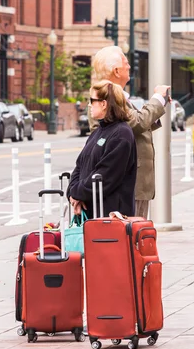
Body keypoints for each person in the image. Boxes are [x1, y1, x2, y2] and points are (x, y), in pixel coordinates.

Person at [91, 45, 170, 219]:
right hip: (127, 182)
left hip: (131, 181)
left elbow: (134, 125)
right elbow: (137, 122)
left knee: (133, 234)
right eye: (125, 62)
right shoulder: (109, 97)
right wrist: (157, 98)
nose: (129, 66)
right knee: (130, 235)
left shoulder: (116, 95)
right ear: (116, 71)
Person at [68, 80, 137, 218]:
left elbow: (105, 176)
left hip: (111, 218)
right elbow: (79, 166)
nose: (89, 105)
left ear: (104, 104)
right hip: (91, 213)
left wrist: (76, 192)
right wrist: (72, 193)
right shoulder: (97, 132)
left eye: (92, 100)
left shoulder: (121, 134)